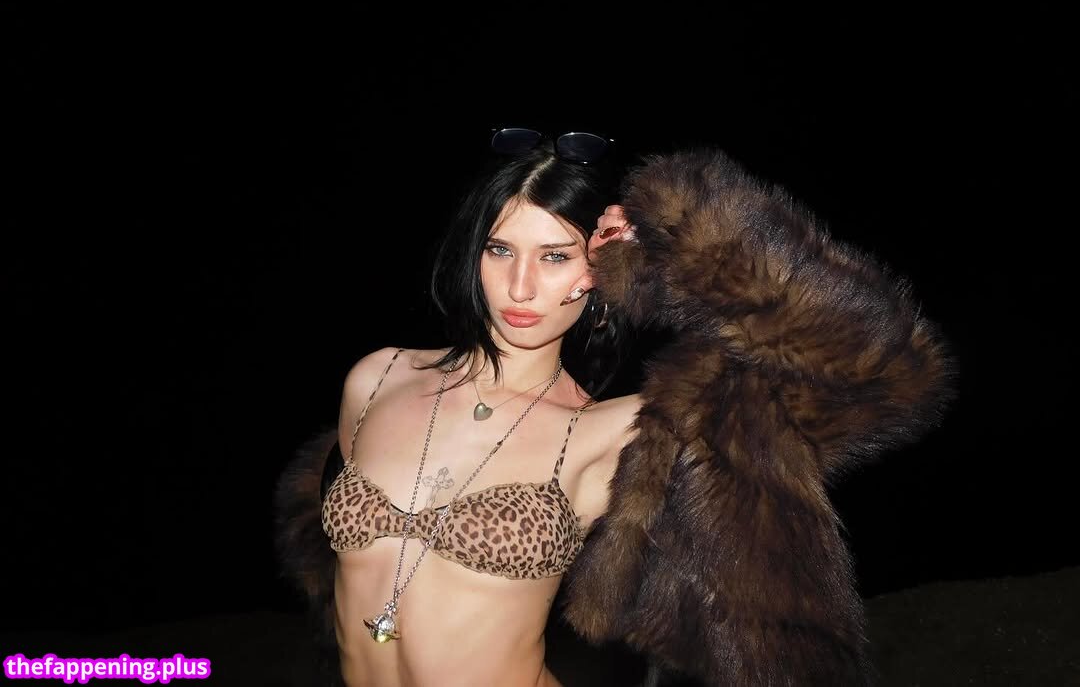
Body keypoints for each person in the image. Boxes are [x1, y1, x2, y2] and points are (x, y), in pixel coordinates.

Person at [274, 129, 954, 687]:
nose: (520, 285)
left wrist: (675, 253)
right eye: (500, 249)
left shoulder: (615, 432)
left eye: (555, 256)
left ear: (594, 270)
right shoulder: (378, 378)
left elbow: (885, 374)